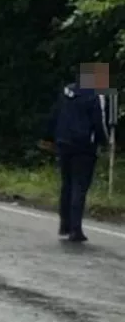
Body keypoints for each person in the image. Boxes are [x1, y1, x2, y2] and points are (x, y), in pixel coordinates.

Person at [43, 72, 109, 242]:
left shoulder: (67, 91)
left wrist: (49, 137)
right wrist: (104, 142)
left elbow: (55, 114)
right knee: (79, 186)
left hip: (63, 142)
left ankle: (64, 225)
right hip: (84, 145)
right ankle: (75, 229)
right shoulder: (96, 95)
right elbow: (99, 122)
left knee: (67, 184)